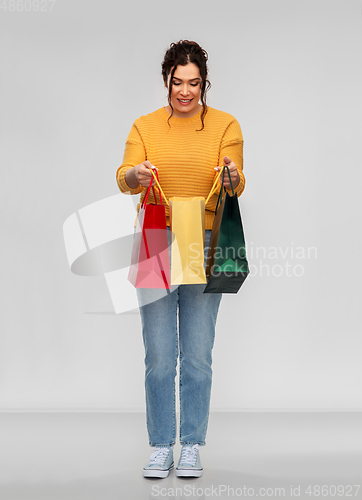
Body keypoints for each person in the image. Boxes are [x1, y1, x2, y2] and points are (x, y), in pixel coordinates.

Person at [116, 40, 245, 478]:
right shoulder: (145, 126)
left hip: (204, 241)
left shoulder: (226, 125)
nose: (184, 92)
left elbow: (237, 182)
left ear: (204, 83)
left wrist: (231, 176)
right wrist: (136, 174)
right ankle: (160, 445)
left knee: (196, 353)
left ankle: (190, 444)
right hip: (156, 236)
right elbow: (125, 177)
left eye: (193, 83)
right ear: (166, 80)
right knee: (158, 352)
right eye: (177, 82)